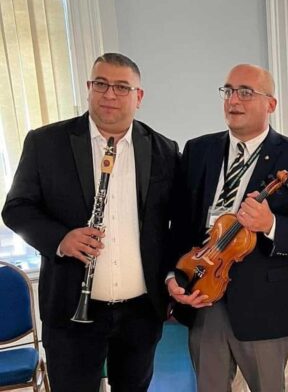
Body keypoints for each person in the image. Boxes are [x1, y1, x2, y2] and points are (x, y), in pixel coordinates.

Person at [2, 53, 179, 392]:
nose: (109, 95)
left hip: (141, 313)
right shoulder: (45, 143)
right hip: (70, 313)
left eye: (121, 87)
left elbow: (174, 226)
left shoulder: (164, 150)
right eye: (100, 84)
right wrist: (60, 238)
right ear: (88, 88)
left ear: (138, 97)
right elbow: (16, 208)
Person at [167, 63, 288, 391]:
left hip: (264, 303)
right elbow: (179, 223)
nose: (233, 100)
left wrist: (271, 225)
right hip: (203, 297)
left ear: (271, 104)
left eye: (245, 92)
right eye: (228, 91)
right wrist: (173, 275)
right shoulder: (198, 150)